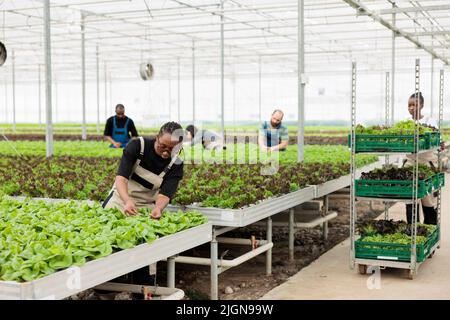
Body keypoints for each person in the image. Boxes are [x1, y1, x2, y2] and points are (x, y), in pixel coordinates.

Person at [103, 121, 184, 219]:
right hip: (120, 200)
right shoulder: (138, 146)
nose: (166, 152)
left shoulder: (176, 163)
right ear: (157, 137)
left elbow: (164, 195)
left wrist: (159, 208)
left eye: (172, 149)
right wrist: (127, 201)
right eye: (162, 146)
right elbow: (121, 179)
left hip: (145, 206)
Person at [404, 92, 443, 225]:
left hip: (426, 164)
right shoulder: (406, 123)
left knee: (428, 199)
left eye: (414, 105)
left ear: (421, 105)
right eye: (409, 105)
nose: (411, 108)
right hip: (409, 164)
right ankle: (413, 233)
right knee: (410, 200)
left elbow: (438, 141)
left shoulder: (429, 121)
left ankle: (429, 231)